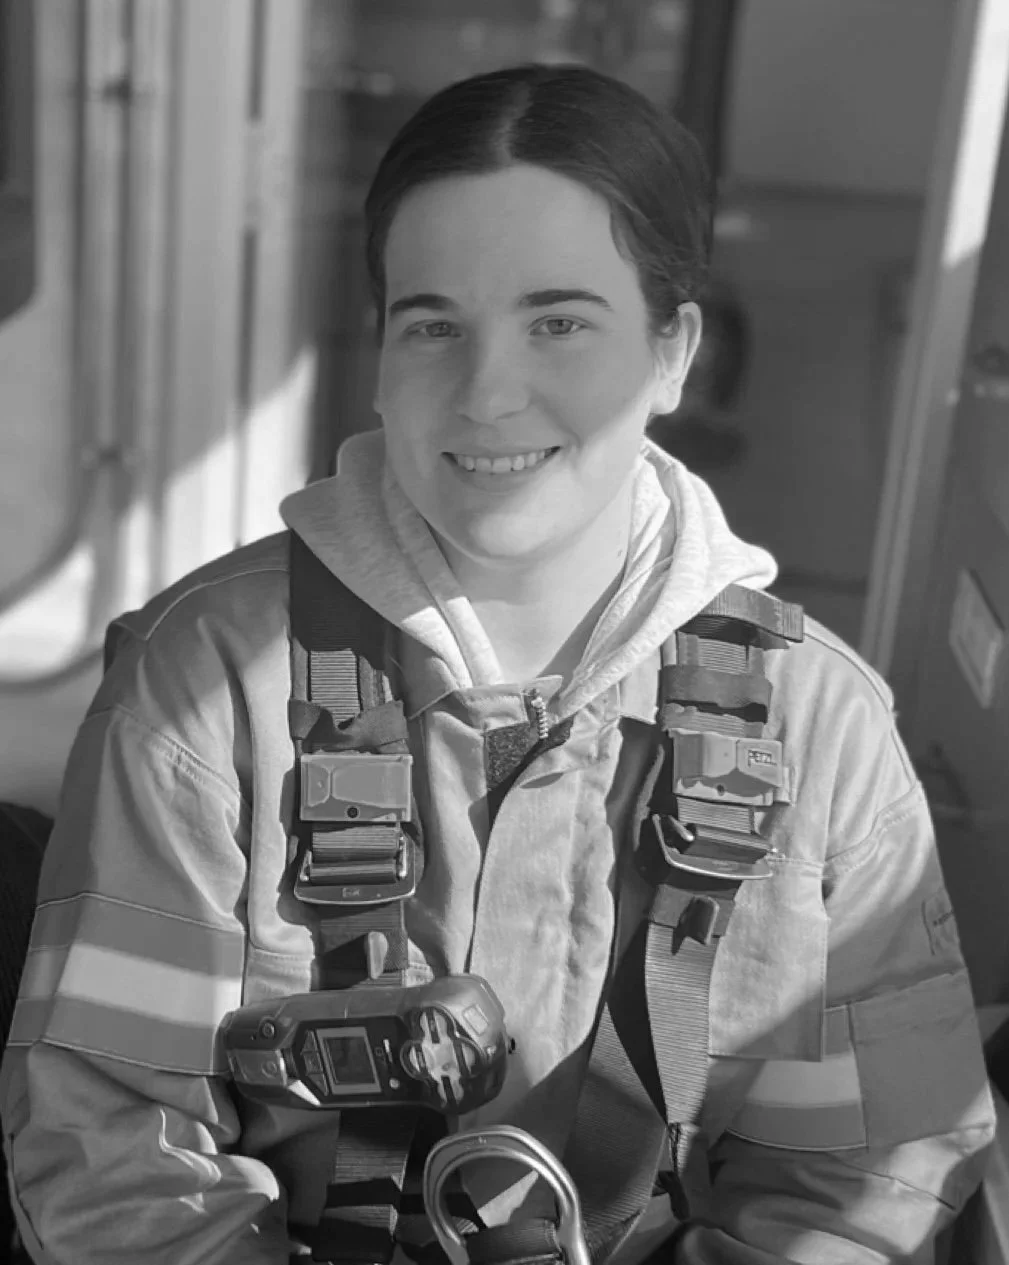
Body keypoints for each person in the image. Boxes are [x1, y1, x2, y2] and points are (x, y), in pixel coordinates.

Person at [0, 63, 995, 1265]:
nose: (487, 391)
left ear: (672, 351)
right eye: (433, 325)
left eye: (559, 320)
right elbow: (116, 1164)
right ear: (379, 352)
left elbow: (864, 1185)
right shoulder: (205, 693)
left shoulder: (825, 731)